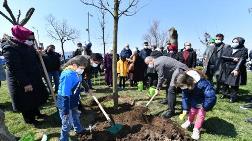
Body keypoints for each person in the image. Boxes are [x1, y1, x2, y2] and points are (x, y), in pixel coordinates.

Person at [1, 25, 49, 124]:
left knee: (34, 97)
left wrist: (37, 54)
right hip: (20, 79)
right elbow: (15, 68)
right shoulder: (10, 48)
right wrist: (25, 83)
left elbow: (31, 58)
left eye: (32, 39)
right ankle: (30, 120)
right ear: (21, 37)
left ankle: (37, 113)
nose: (31, 41)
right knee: (26, 101)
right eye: (29, 39)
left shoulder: (27, 45)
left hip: (32, 76)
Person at [174, 69, 216, 140]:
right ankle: (189, 121)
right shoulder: (185, 83)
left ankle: (196, 129)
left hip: (203, 102)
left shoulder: (203, 83)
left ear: (188, 82)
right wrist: (185, 109)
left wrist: (205, 107)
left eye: (183, 86)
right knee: (192, 111)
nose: (182, 89)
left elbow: (211, 96)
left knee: (200, 115)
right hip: (195, 100)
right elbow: (185, 97)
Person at [57, 55, 89, 141]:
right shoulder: (67, 75)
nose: (82, 70)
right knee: (67, 123)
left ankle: (78, 129)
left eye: (83, 68)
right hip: (65, 101)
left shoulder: (77, 73)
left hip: (74, 100)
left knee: (75, 116)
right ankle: (63, 138)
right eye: (81, 68)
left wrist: (84, 88)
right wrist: (65, 109)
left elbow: (78, 83)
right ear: (74, 65)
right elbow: (65, 93)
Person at [219, 37, 248, 102]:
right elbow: (223, 56)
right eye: (233, 42)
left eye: (236, 42)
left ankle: (233, 97)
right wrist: (232, 58)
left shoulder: (244, 50)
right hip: (226, 67)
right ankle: (224, 94)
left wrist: (236, 69)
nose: (234, 43)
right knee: (224, 82)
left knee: (233, 83)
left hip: (235, 68)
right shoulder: (228, 48)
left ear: (240, 43)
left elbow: (242, 59)